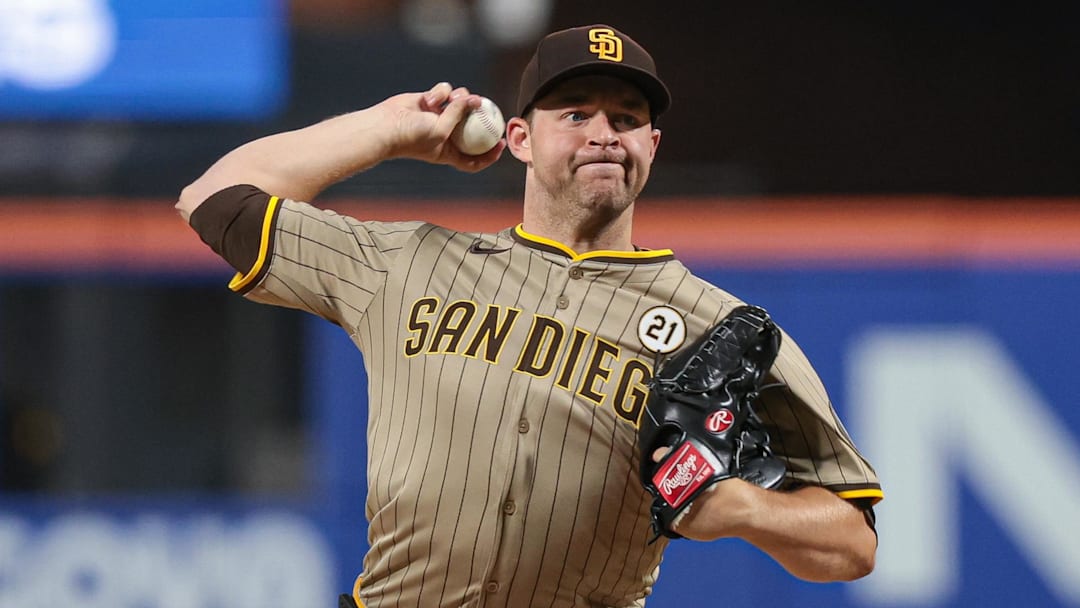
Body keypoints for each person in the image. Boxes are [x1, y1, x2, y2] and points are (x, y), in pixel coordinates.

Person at [177, 24, 882, 608]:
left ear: (652, 149)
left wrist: (742, 509)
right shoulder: (407, 261)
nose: (604, 133)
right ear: (517, 139)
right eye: (575, 113)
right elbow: (211, 199)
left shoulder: (719, 328)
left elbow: (854, 543)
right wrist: (387, 129)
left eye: (627, 120)